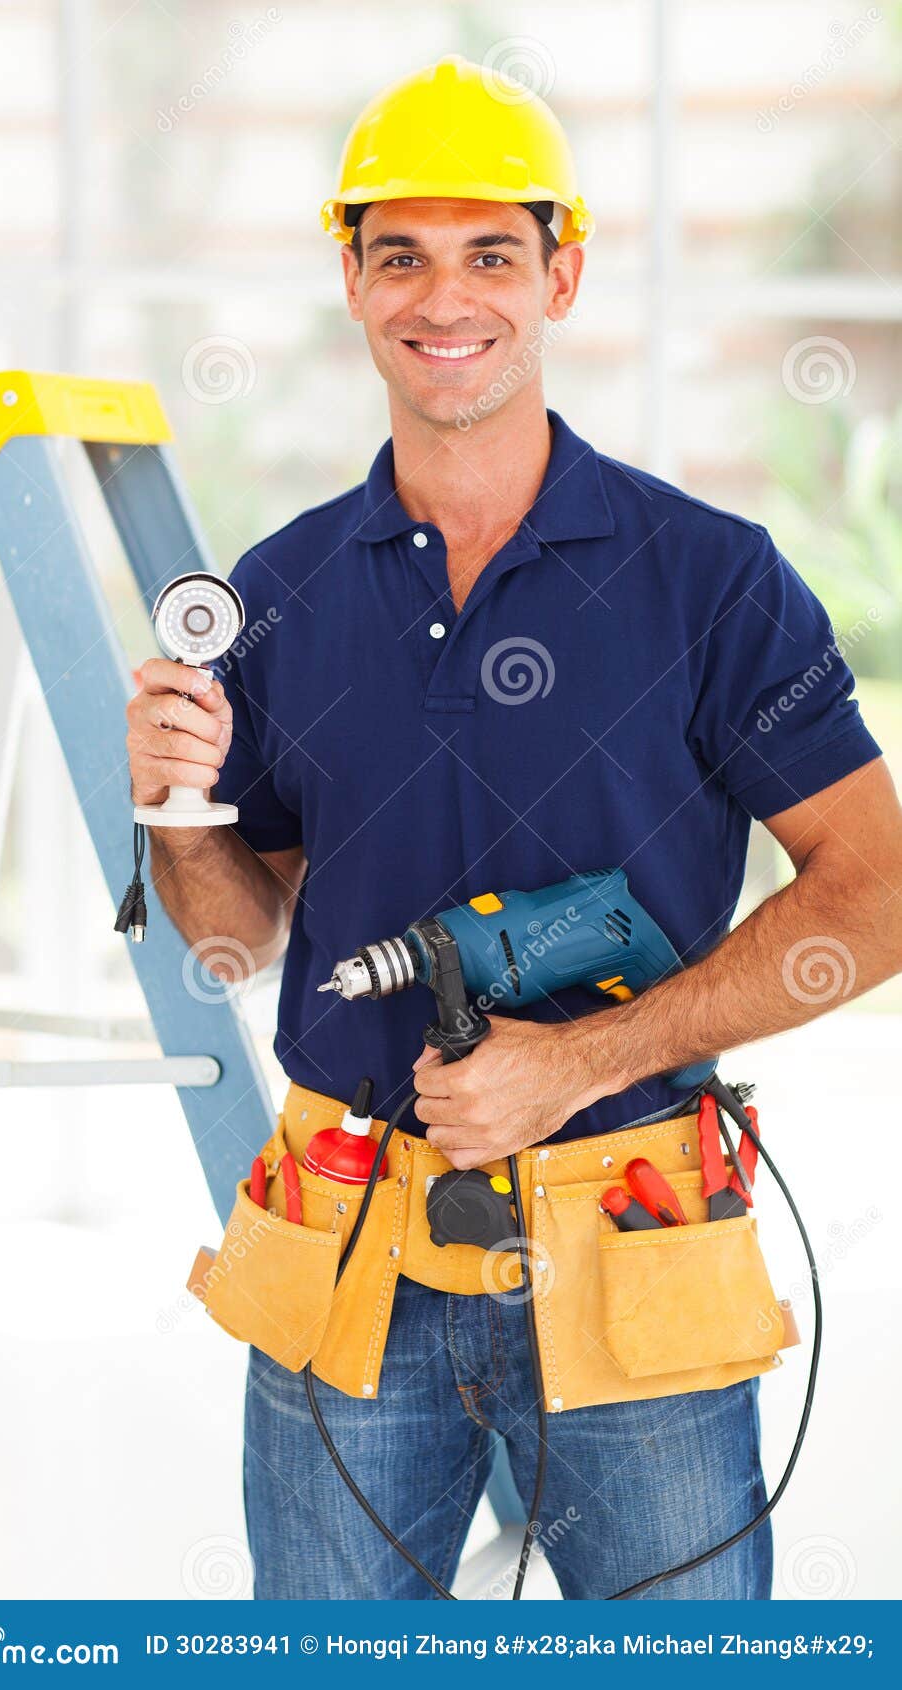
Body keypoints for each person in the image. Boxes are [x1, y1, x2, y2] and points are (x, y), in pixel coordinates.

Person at [126, 58, 902, 1598]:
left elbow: (875, 896)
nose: (445, 298)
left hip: (627, 1231)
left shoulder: (712, 580)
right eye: (401, 254)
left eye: (491, 252)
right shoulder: (280, 592)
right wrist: (178, 801)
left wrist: (584, 1057)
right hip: (346, 1244)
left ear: (564, 272)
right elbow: (232, 932)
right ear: (350, 280)